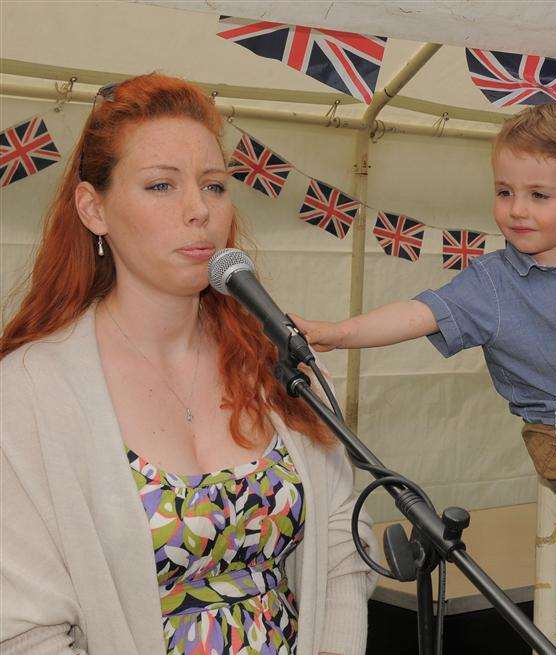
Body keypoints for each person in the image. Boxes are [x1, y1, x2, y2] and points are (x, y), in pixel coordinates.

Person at [292, 102, 556, 655]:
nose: (516, 210)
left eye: (539, 196)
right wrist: (337, 333)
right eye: (504, 191)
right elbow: (418, 313)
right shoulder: (492, 283)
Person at [0, 73, 378, 655]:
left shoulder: (278, 359)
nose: (198, 211)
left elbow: (340, 547)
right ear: (93, 208)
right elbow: (25, 632)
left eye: (215, 186)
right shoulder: (29, 392)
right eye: (160, 186)